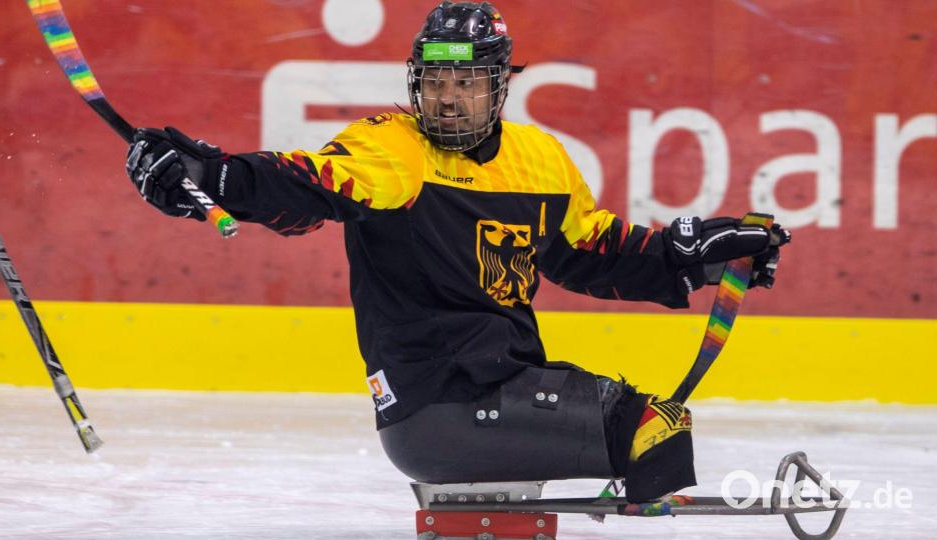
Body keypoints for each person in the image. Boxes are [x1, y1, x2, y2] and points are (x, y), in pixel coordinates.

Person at [124, 1, 789, 502]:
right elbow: (303, 186)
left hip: (504, 386)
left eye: (465, 82)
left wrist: (693, 254)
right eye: (435, 81)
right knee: (651, 431)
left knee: (657, 431)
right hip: (437, 406)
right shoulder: (394, 150)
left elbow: (592, 252)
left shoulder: (540, 161)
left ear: (499, 85)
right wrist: (212, 177)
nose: (446, 98)